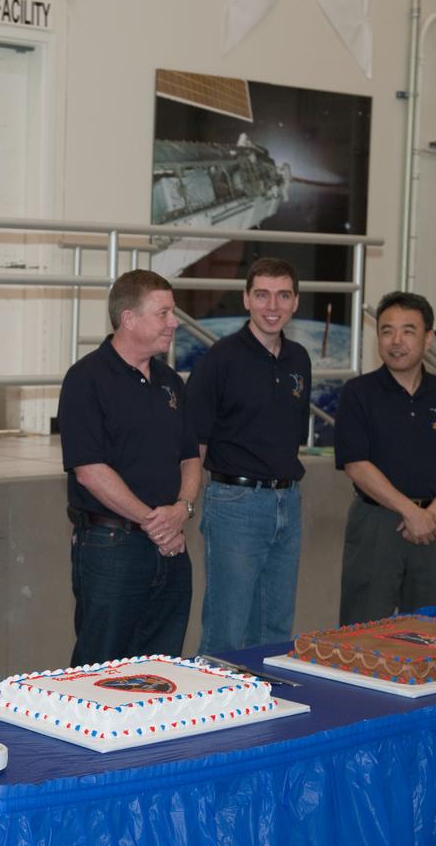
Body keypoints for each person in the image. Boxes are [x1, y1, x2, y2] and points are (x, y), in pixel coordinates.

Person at [57, 269, 201, 666]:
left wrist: (182, 509)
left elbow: (190, 457)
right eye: (163, 313)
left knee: (162, 668)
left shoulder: (171, 382)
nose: (174, 323)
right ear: (129, 319)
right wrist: (154, 523)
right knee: (100, 668)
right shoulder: (86, 379)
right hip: (112, 547)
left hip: (171, 545)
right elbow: (89, 470)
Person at [186, 257, 311, 653]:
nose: (272, 306)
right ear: (245, 299)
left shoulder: (299, 360)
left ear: (295, 302)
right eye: (262, 295)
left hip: (288, 502)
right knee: (227, 630)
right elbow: (194, 443)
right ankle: (216, 694)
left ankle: (267, 695)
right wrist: (185, 503)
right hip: (235, 504)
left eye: (283, 295)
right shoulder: (220, 359)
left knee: (276, 629)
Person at [335, 291, 436, 624]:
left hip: (432, 526)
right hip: (376, 525)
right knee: (362, 629)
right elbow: (356, 464)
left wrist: (432, 514)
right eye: (387, 331)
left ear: (428, 338)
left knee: (430, 629)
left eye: (408, 331)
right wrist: (410, 512)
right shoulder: (358, 393)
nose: (396, 341)